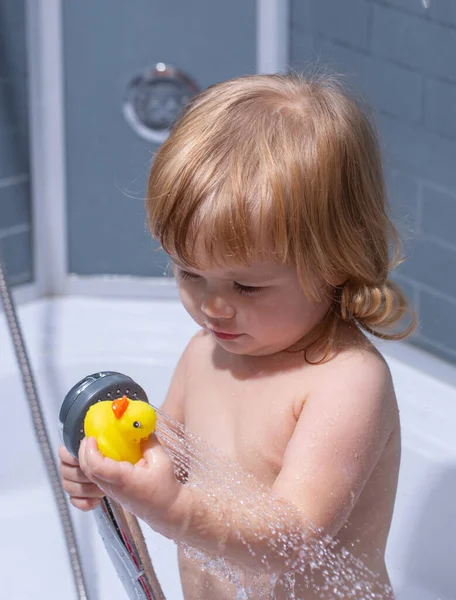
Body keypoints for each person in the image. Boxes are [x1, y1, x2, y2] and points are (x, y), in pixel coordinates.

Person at [59, 72, 416, 599]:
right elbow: (162, 460)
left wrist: (172, 509)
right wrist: (114, 475)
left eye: (246, 286)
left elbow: (291, 539)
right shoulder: (205, 352)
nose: (212, 306)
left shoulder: (344, 383)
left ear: (336, 262)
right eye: (188, 273)